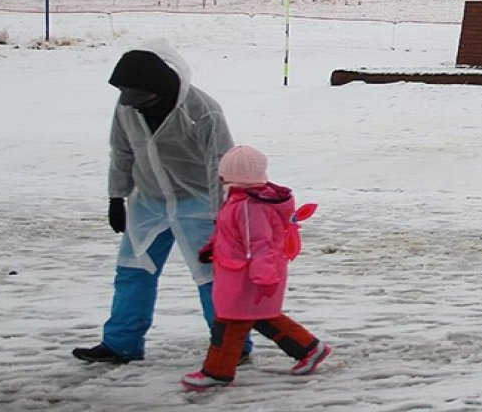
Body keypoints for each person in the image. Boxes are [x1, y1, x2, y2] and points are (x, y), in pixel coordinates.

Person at [74, 39, 252, 364]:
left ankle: (232, 345)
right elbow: (122, 151)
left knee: (215, 278)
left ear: (163, 87)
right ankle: (121, 344)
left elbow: (221, 165)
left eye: (143, 98)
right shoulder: (128, 106)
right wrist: (117, 197)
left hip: (200, 206)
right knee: (132, 271)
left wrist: (222, 216)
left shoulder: (203, 110)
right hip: (149, 203)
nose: (136, 105)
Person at [181, 145, 330, 390]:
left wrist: (264, 278)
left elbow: (260, 245)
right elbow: (231, 235)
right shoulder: (240, 200)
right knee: (263, 317)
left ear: (233, 176)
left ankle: (217, 371)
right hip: (240, 272)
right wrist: (213, 248)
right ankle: (309, 348)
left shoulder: (250, 206)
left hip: (248, 277)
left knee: (229, 323)